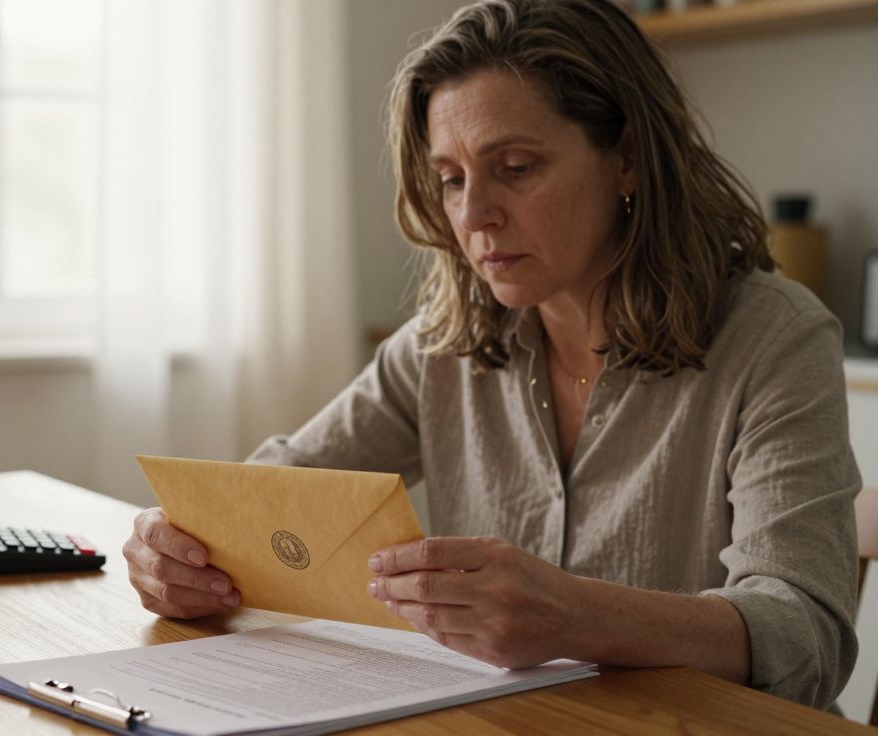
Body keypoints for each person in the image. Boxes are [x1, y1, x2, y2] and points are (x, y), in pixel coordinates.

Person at [122, 0, 861, 711]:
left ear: (628, 160)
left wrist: (577, 615)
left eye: (514, 167)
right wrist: (177, 547)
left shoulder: (775, 339)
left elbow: (806, 633)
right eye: (451, 179)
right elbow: (277, 491)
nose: (473, 215)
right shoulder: (442, 346)